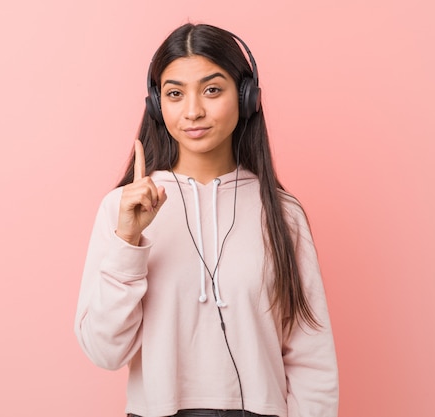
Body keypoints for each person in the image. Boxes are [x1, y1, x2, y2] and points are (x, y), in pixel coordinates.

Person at [74, 23, 339, 417]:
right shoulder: (122, 210)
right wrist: (128, 241)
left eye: (212, 90)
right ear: (156, 104)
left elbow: (311, 358)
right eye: (175, 94)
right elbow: (104, 351)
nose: (193, 110)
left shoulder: (284, 214)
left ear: (247, 98)